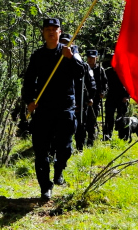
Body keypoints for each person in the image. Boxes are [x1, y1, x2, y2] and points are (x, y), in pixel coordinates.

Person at [23, 18, 87, 200]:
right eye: (48, 29)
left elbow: (81, 73)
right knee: (41, 150)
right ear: (43, 33)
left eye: (55, 29)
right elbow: (28, 81)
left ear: (60, 32)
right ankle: (45, 186)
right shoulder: (37, 56)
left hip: (65, 108)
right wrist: (29, 100)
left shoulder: (70, 51)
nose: (51, 32)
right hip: (44, 109)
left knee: (65, 147)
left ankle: (59, 170)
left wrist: (70, 58)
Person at [59, 33, 96, 151]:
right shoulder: (56, 62)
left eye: (67, 42)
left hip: (80, 100)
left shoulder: (81, 63)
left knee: (80, 125)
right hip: (63, 100)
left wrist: (90, 97)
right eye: (62, 42)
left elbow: (91, 83)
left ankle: (80, 147)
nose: (64, 44)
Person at [102, 52, 130, 141]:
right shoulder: (107, 72)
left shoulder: (124, 71)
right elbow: (103, 84)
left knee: (121, 117)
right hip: (111, 97)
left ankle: (122, 136)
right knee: (109, 117)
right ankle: (107, 135)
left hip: (122, 98)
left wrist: (127, 96)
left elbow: (130, 84)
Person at [86, 49, 108, 146]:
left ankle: (91, 138)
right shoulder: (84, 68)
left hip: (96, 98)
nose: (90, 60)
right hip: (84, 97)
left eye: (92, 58)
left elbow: (105, 83)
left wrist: (103, 92)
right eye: (89, 58)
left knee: (92, 118)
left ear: (96, 58)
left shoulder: (100, 70)